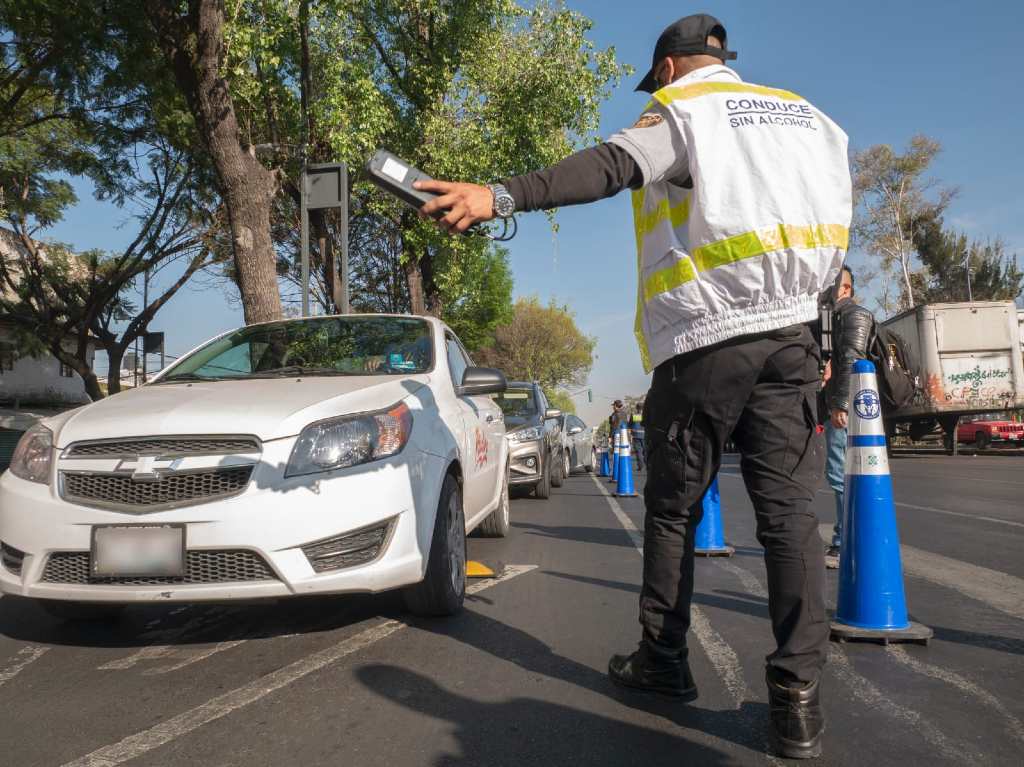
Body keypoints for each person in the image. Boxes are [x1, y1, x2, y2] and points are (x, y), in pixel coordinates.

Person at [415, 13, 851, 759]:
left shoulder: (683, 112)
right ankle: (797, 703)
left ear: (671, 70)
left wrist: (501, 196)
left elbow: (610, 166)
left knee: (674, 508)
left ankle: (664, 658)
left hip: (707, 338)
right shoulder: (811, 119)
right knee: (788, 518)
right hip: (794, 338)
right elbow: (834, 229)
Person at [823, 266, 874, 566]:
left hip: (848, 408)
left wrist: (840, 405)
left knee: (840, 473)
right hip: (846, 406)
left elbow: (853, 359)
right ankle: (848, 540)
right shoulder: (836, 317)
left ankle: (844, 543)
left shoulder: (853, 315)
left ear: (845, 288)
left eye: (830, 284)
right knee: (842, 473)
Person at [630, 407, 646, 472]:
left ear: (637, 408)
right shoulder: (646, 415)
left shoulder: (634, 415)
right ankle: (648, 466)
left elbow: (629, 425)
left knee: (638, 452)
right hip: (645, 436)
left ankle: (640, 466)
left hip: (636, 435)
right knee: (646, 451)